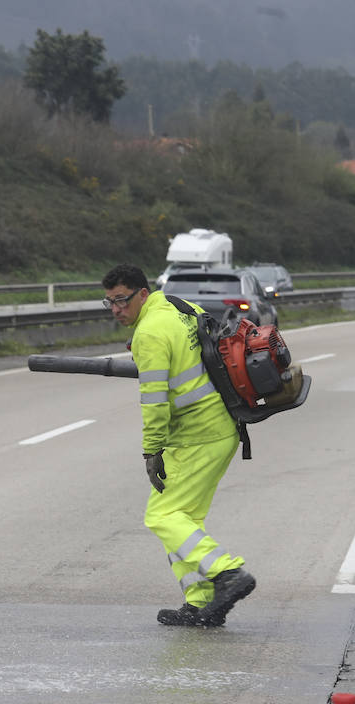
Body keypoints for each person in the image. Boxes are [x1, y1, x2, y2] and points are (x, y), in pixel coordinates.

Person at [102, 264, 256, 627]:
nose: (116, 310)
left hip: (197, 436)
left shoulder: (150, 334)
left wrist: (151, 450)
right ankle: (202, 602)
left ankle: (228, 573)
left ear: (142, 293)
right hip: (220, 428)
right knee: (183, 520)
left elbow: (154, 401)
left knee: (162, 516)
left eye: (121, 300)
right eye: (108, 302)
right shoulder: (179, 307)